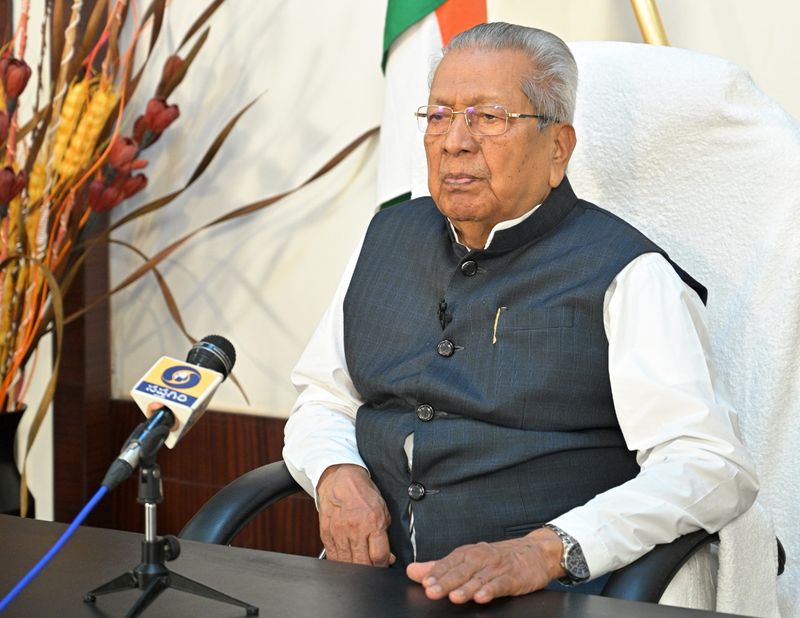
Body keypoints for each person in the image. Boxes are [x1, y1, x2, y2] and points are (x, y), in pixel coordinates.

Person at [283, 22, 758, 605]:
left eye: (488, 118)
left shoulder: (626, 272)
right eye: (438, 116)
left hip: (544, 597)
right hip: (371, 584)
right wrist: (336, 474)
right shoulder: (385, 237)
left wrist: (544, 550)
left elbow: (708, 464)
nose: (454, 141)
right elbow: (325, 398)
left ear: (557, 148)